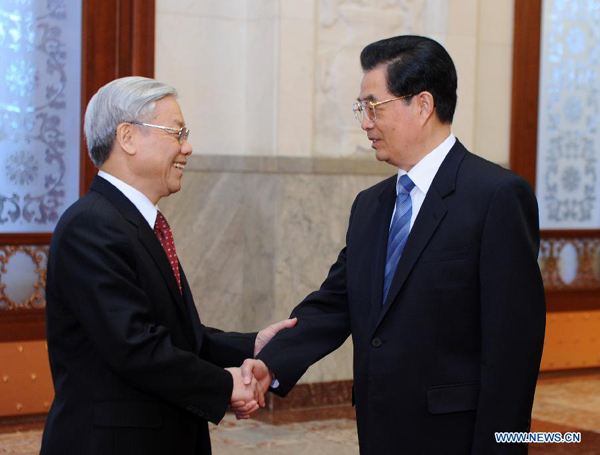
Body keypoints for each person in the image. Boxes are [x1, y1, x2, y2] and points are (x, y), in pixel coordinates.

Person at [239, 35, 546, 454]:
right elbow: (336, 303)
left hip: (454, 434)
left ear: (422, 105)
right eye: (360, 109)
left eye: (373, 106)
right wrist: (271, 362)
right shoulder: (372, 205)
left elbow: (513, 348)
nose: (364, 122)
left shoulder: (495, 196)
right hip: (379, 428)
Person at [40, 76, 295, 455]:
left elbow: (178, 336)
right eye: (177, 133)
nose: (187, 147)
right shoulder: (91, 225)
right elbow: (135, 347)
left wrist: (251, 344)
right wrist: (226, 386)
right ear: (127, 137)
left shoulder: (137, 223)